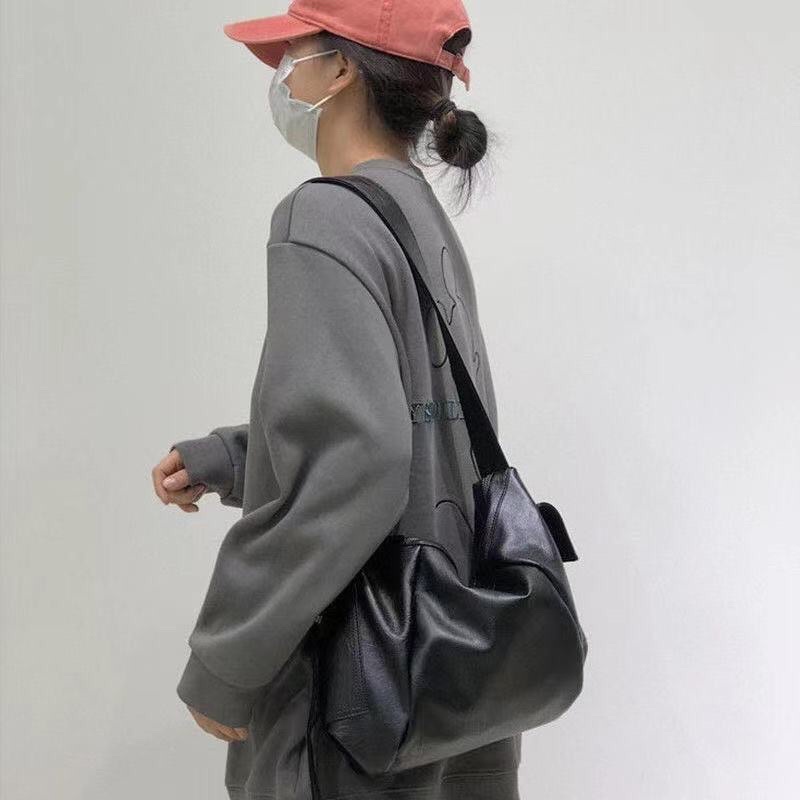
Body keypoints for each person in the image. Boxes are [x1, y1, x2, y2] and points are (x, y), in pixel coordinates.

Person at [151, 1, 521, 798]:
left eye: (299, 49)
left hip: (357, 691)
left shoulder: (323, 216)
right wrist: (235, 457)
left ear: (343, 67)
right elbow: (423, 424)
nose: (286, 71)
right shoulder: (419, 215)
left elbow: (361, 457)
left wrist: (231, 656)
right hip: (461, 673)